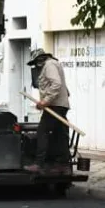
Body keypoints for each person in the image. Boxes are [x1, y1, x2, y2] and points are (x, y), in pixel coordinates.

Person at [23, 48, 71, 176]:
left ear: (40, 59)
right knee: (60, 135)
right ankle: (63, 165)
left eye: (35, 63)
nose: (35, 67)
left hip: (54, 106)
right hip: (59, 105)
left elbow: (56, 84)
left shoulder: (49, 65)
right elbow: (63, 88)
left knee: (42, 131)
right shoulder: (54, 64)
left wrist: (45, 101)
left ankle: (38, 164)